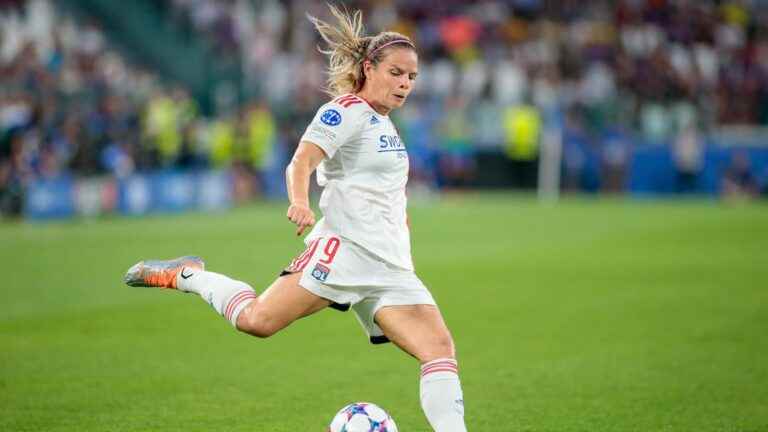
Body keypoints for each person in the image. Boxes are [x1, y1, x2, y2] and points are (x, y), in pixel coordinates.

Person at [123, 6, 468, 432]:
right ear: (368, 68)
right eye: (397, 73)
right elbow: (301, 161)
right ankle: (188, 275)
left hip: (391, 263)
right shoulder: (344, 111)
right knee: (257, 321)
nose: (405, 84)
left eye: (412, 78)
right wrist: (299, 201)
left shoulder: (386, 125)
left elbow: (383, 192)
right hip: (345, 252)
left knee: (439, 348)